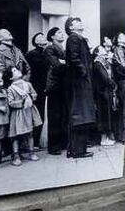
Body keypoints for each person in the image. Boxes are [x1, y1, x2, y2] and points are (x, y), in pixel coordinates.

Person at [65, 17, 97, 158]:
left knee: (81, 116)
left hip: (81, 82)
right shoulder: (74, 38)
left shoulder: (78, 39)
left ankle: (77, 149)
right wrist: (84, 73)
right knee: (80, 116)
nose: (80, 22)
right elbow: (74, 58)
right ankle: (77, 150)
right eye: (76, 22)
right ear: (71, 27)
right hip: (80, 83)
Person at [7, 67, 42, 166]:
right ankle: (16, 155)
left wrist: (32, 96)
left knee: (30, 133)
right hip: (18, 113)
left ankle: (31, 152)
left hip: (28, 111)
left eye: (17, 70)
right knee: (16, 135)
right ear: (10, 78)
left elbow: (34, 93)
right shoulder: (11, 89)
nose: (17, 71)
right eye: (14, 71)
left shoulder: (27, 84)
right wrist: (21, 102)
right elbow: (11, 103)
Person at [44, 27, 68, 155]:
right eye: (58, 33)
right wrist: (63, 62)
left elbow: (64, 63)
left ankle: (63, 143)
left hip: (63, 85)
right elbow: (57, 65)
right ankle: (53, 146)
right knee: (55, 116)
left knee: (63, 115)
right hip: (54, 86)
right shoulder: (50, 49)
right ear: (52, 37)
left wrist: (64, 62)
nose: (61, 34)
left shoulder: (63, 50)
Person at [25, 32, 49, 148]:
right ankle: (33, 142)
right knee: (37, 113)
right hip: (37, 86)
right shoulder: (32, 54)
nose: (43, 38)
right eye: (39, 37)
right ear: (35, 42)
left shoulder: (48, 51)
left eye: (43, 36)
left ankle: (39, 141)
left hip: (47, 86)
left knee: (43, 113)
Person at [93, 45, 116, 146]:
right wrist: (113, 84)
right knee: (104, 115)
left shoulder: (104, 62)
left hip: (105, 92)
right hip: (102, 92)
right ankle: (103, 138)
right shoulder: (98, 63)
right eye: (101, 48)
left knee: (107, 115)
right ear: (98, 52)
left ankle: (106, 137)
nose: (104, 49)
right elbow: (105, 78)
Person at [112, 32, 125, 143]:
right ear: (119, 39)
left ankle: (121, 135)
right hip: (124, 81)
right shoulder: (119, 49)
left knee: (123, 109)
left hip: (123, 81)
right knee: (124, 110)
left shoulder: (122, 49)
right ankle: (122, 136)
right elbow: (123, 66)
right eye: (123, 36)